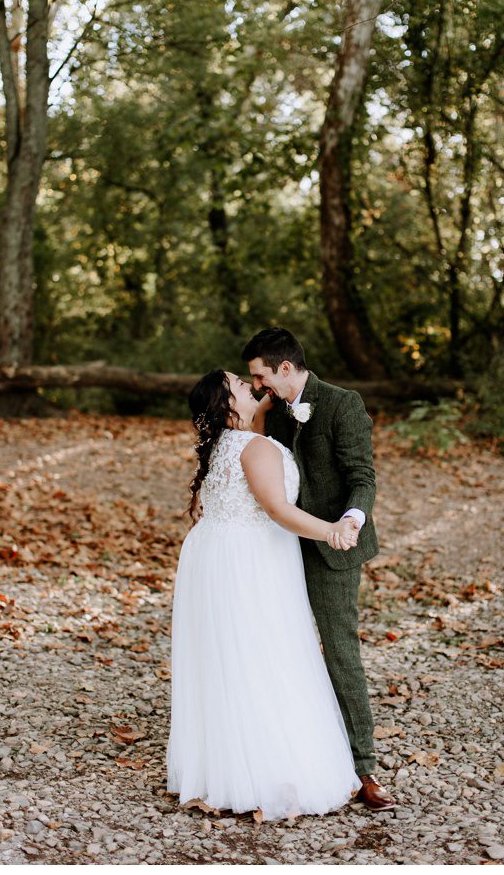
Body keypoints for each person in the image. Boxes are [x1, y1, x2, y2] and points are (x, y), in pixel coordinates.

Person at [168, 369, 362, 818]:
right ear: (228, 405)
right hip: (248, 561)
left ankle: (229, 768)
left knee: (233, 659)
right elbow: (278, 510)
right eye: (239, 383)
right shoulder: (254, 447)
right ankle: (271, 772)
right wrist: (331, 531)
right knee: (265, 655)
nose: (250, 385)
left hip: (219, 552)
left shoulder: (228, 445)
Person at [241, 327, 394, 810]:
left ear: (285, 368)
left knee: (339, 649)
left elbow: (362, 477)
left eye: (261, 375)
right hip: (281, 544)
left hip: (335, 543)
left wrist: (349, 520)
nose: (258, 385)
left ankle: (364, 767)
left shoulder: (342, 403)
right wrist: (263, 409)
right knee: (283, 647)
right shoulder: (274, 410)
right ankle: (292, 753)